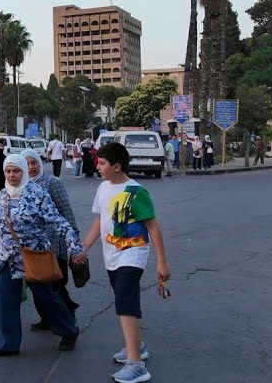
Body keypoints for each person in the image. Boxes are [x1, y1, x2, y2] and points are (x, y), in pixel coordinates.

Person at [81, 142, 171, 383]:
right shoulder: (103, 188)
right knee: (123, 299)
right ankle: (137, 346)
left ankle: (137, 364)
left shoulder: (136, 191)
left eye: (101, 163)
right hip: (111, 254)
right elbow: (100, 221)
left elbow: (154, 228)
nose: (97, 166)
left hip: (133, 254)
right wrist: (85, 247)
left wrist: (162, 263)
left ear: (117, 166)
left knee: (125, 301)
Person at [0, 154, 88, 357]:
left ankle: (69, 331)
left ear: (22, 172)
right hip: (7, 258)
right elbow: (0, 227)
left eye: (16, 171)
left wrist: (75, 248)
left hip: (34, 254)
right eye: (8, 171)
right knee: (6, 300)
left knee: (47, 298)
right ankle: (8, 343)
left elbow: (59, 222)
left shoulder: (37, 193)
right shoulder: (3, 194)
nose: (12, 175)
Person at [20, 150, 80, 330]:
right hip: (31, 247)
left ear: (40, 163)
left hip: (54, 244)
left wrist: (74, 239)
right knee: (36, 283)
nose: (30, 167)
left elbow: (66, 211)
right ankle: (46, 318)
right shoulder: (19, 184)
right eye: (27, 164)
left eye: (34, 163)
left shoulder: (52, 183)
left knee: (56, 285)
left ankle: (68, 316)